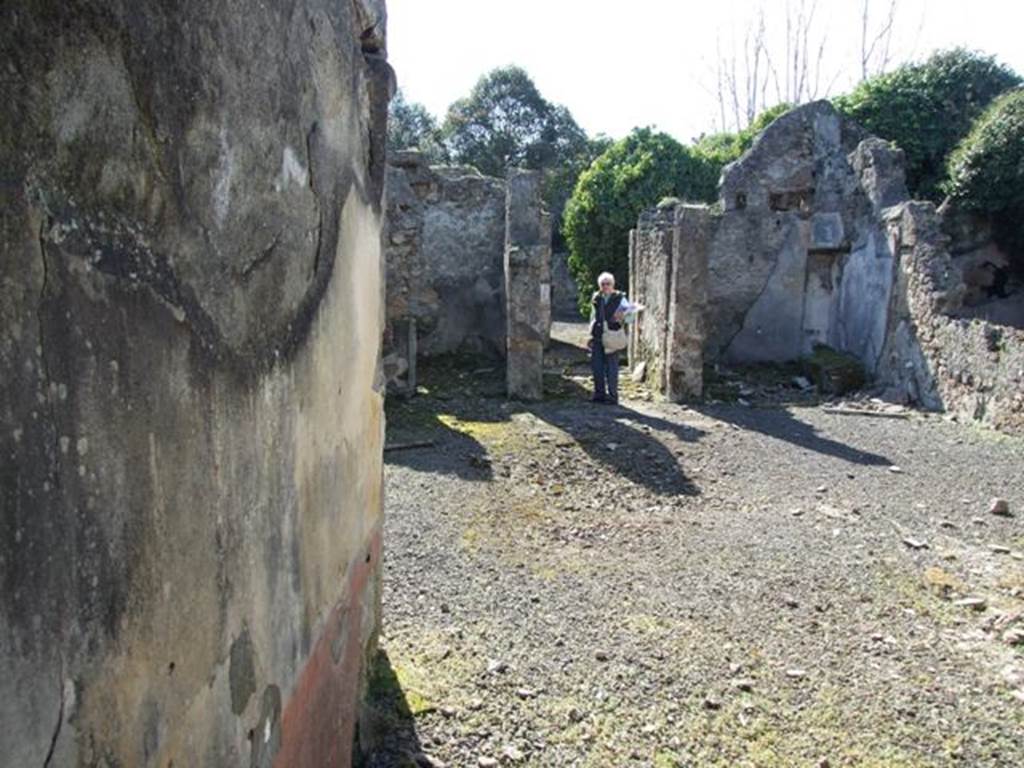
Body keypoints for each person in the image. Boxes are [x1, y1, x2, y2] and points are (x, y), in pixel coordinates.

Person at [588, 272, 633, 405]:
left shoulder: (620, 298)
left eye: (608, 283)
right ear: (599, 285)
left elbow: (630, 317)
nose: (605, 286)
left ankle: (613, 396)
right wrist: (589, 334)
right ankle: (599, 394)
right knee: (597, 366)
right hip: (598, 336)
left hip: (612, 335)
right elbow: (592, 316)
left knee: (612, 368)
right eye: (603, 284)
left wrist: (622, 317)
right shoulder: (596, 297)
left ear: (612, 285)